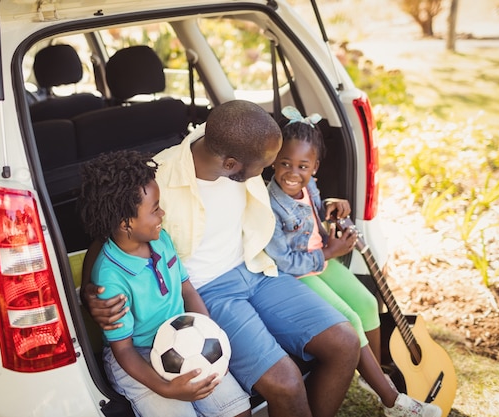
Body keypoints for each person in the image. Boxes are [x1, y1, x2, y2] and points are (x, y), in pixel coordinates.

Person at [82, 100, 361, 417]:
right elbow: (107, 234)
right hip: (207, 290)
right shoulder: (158, 179)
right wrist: (90, 293)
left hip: (257, 268)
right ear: (231, 165)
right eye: (263, 167)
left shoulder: (235, 141)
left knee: (345, 342)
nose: (269, 171)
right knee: (287, 383)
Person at [264, 106, 442, 417]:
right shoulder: (271, 203)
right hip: (296, 273)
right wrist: (330, 252)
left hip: (320, 260)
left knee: (367, 303)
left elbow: (314, 211)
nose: (293, 173)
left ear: (315, 167)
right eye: (285, 164)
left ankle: (372, 380)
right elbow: (286, 262)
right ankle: (391, 400)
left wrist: (331, 204)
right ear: (274, 162)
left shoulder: (309, 186)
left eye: (303, 166)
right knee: (349, 318)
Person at [78, 150, 251, 417]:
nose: (163, 213)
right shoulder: (110, 277)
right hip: (137, 356)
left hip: (187, 337)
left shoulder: (161, 239)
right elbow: (123, 349)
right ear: (126, 223)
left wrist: (212, 338)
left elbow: (187, 289)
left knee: (237, 410)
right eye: (155, 208)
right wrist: (166, 389)